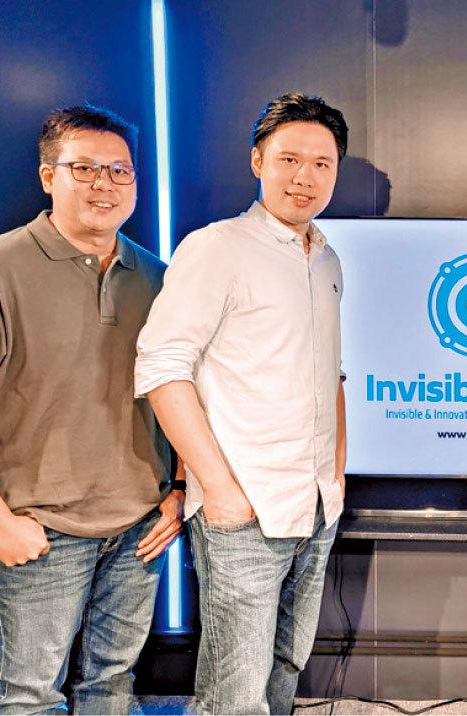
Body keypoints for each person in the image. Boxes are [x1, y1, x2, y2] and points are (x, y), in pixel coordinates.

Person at [0, 105, 183, 714]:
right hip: (39, 532)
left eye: (120, 170)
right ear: (48, 175)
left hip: (139, 528)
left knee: (113, 685)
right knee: (30, 697)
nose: (104, 183)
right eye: (85, 168)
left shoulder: (159, 280)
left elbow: (188, 392)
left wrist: (180, 489)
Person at [135, 92, 348, 715]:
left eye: (322, 163)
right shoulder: (217, 248)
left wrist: (336, 472)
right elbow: (162, 368)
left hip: (316, 503)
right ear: (258, 161)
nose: (304, 177)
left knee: (286, 665)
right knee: (235, 693)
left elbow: (329, 373)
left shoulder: (326, 257)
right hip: (245, 510)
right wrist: (219, 490)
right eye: (289, 159)